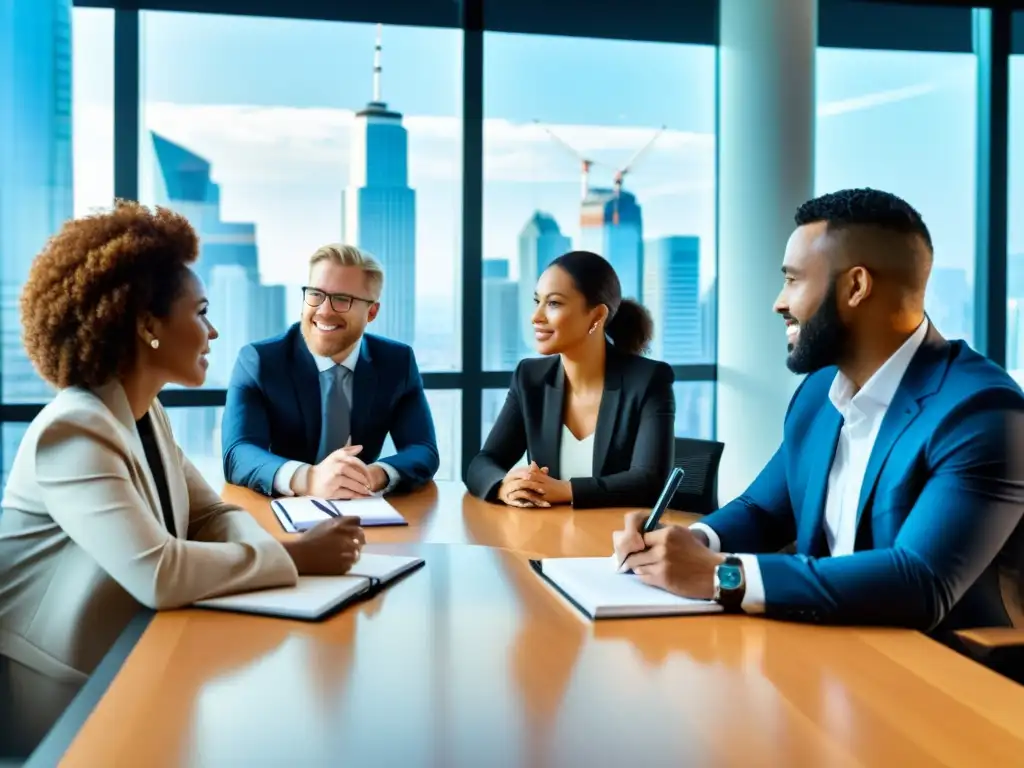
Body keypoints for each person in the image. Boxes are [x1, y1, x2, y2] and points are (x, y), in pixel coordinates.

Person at [0, 202, 365, 758]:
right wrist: (295, 557)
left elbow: (209, 516)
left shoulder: (144, 412)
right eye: (200, 312)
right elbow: (161, 573)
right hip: (64, 690)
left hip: (134, 650)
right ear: (148, 325)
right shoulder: (74, 430)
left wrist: (280, 553)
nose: (213, 330)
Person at [612, 188, 1024, 636]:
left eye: (792, 280)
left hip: (936, 675)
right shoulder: (818, 392)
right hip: (821, 645)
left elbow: (920, 582)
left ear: (856, 287)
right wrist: (690, 542)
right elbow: (762, 511)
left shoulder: (981, 412)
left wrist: (720, 574)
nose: (779, 302)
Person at [222, 244, 439, 499]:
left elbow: (422, 449)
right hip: (278, 512)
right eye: (315, 294)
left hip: (361, 510)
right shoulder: (259, 361)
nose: (324, 310)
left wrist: (374, 475)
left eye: (341, 299)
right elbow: (238, 452)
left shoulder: (396, 362)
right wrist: (308, 479)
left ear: (372, 312)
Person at [466, 250, 675, 509]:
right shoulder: (530, 378)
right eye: (537, 301)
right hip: (548, 538)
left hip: (617, 540)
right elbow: (483, 463)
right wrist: (503, 486)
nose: (536, 316)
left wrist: (565, 490)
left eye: (553, 303)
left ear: (597, 316)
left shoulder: (648, 381)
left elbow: (650, 482)